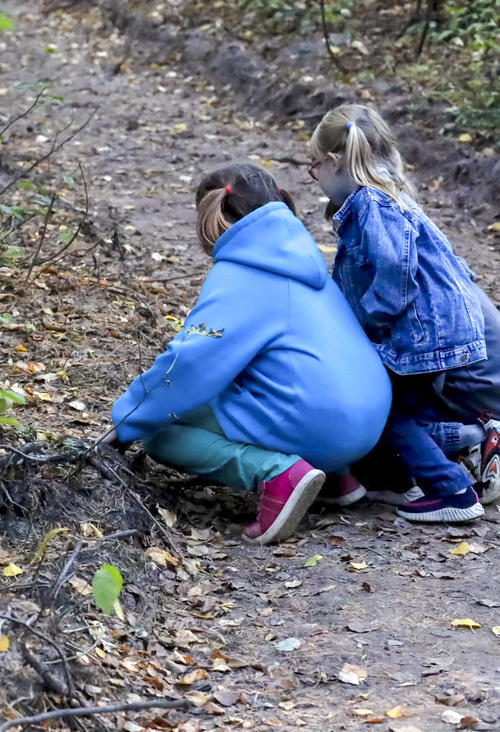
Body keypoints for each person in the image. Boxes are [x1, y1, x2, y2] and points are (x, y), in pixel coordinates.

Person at [103, 164, 392, 544]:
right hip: (368, 421)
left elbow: (192, 364)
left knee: (161, 432)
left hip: (323, 423)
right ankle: (336, 478)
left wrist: (129, 418)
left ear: (211, 218)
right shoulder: (302, 258)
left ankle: (277, 474)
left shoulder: (241, 275)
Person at [308, 104, 500, 523]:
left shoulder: (372, 204)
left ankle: (452, 490)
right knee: (402, 410)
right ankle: (395, 477)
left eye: (315, 167)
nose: (314, 177)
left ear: (335, 162)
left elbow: (394, 274)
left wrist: (367, 324)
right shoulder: (393, 197)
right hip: (433, 330)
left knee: (385, 411)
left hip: (422, 335)